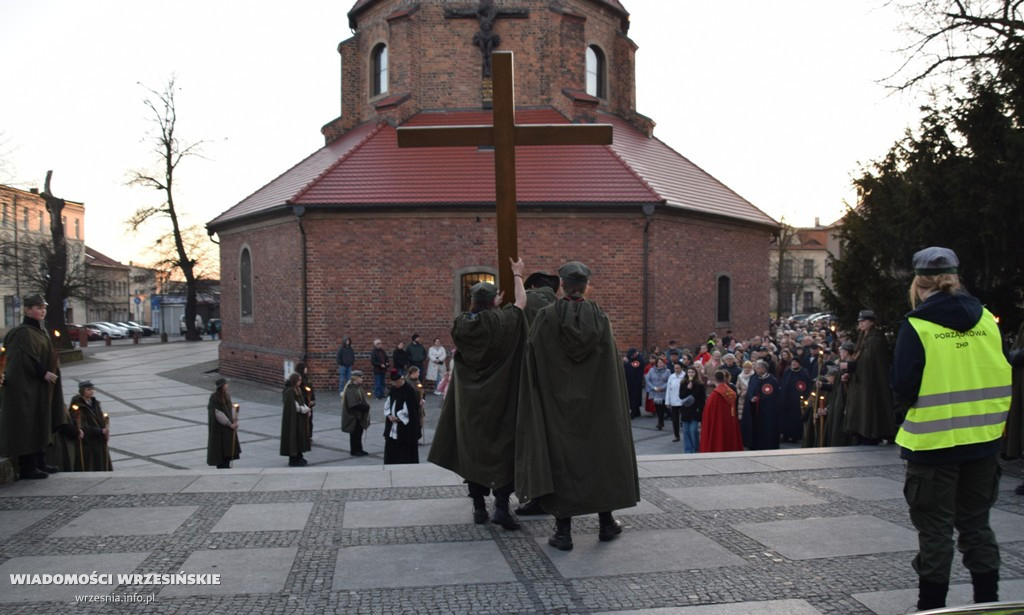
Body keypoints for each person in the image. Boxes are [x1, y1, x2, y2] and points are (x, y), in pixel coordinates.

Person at [891, 246, 1012, 611]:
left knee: (935, 533)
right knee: (977, 526)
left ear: (918, 284)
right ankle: (988, 604)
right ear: (956, 279)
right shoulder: (986, 319)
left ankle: (931, 608)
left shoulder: (918, 325)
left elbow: (903, 386)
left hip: (934, 446)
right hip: (984, 442)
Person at [516, 261, 639, 551]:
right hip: (597, 407)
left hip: (557, 406)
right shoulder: (600, 318)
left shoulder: (546, 317)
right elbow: (610, 369)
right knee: (599, 457)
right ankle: (606, 522)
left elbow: (533, 358)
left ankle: (563, 533)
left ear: (561, 285)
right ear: (586, 286)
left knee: (562, 460)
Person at [429, 257, 527, 529]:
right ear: (494, 300)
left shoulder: (461, 324)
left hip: (470, 402)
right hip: (500, 399)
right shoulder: (503, 320)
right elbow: (521, 303)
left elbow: (479, 322)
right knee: (502, 450)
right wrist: (517, 274)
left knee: (472, 450)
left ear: (471, 300)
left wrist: (490, 306)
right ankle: (502, 507)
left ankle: (479, 508)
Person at [0, 294, 65, 479]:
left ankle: (40, 462)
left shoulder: (40, 331)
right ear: (27, 310)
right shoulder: (22, 333)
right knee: (27, 424)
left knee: (41, 421)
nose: (42, 311)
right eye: (38, 307)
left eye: (44, 307)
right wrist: (43, 373)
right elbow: (23, 359)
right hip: (25, 389)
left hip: (39, 388)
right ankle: (28, 467)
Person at [845, 310, 897, 444]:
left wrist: (850, 366)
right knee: (863, 410)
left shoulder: (875, 339)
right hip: (863, 381)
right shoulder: (864, 337)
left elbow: (869, 363)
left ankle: (871, 434)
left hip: (871, 382)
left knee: (869, 409)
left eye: (864, 321)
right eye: (859, 321)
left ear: (871, 322)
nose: (860, 323)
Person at [70, 380, 113, 471]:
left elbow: (101, 419)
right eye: (88, 389)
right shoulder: (77, 406)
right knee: (90, 463)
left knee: (100, 462)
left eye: (92, 389)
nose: (91, 391)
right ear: (82, 391)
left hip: (99, 439)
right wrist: (100, 431)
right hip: (87, 441)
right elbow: (81, 425)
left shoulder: (95, 403)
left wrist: (105, 430)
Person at [740, 360, 781, 450]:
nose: (756, 370)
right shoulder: (753, 378)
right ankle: (752, 443)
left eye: (758, 368)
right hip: (754, 409)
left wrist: (762, 400)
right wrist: (751, 397)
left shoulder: (772, 380)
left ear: (763, 369)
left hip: (766, 410)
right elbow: (749, 391)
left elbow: (774, 397)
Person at [383, 369, 421, 464]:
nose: (395, 384)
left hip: (405, 427)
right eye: (393, 383)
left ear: (401, 379)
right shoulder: (393, 389)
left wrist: (399, 417)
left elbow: (410, 409)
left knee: (404, 448)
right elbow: (388, 403)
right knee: (392, 445)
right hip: (393, 423)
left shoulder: (409, 390)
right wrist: (389, 415)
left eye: (396, 382)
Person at [699, 370, 744, 453]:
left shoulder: (715, 394)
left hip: (717, 423)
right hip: (729, 421)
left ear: (714, 379)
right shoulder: (731, 392)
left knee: (718, 438)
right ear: (724, 378)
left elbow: (708, 413)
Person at [206, 378, 239, 469]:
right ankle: (221, 466)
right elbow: (217, 413)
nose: (227, 385)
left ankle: (226, 465)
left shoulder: (227, 395)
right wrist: (229, 423)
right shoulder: (214, 397)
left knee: (228, 447)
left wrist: (234, 419)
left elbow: (231, 408)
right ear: (222, 386)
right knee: (220, 447)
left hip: (227, 427)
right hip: (220, 428)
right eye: (226, 384)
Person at [280, 372, 311, 466]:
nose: (300, 381)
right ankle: (294, 459)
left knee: (299, 437)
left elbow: (301, 402)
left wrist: (306, 408)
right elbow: (294, 406)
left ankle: (299, 455)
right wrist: (304, 409)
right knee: (294, 437)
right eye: (299, 380)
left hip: (299, 419)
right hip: (293, 419)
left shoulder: (297, 389)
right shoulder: (289, 391)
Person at [779, 357, 812, 443]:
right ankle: (785, 435)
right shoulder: (787, 371)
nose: (793, 363)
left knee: (796, 418)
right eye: (792, 362)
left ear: (799, 363)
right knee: (785, 418)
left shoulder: (804, 372)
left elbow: (807, 386)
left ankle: (795, 436)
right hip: (787, 400)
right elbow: (783, 383)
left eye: (795, 362)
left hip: (797, 400)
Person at [341, 370, 370, 456]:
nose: (362, 379)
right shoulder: (350, 389)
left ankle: (359, 449)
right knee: (354, 433)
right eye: (361, 377)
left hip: (358, 416)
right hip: (353, 416)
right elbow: (353, 404)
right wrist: (364, 407)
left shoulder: (358, 388)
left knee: (359, 432)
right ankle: (354, 450)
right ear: (356, 378)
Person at [679, 366, 706, 452]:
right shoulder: (683, 383)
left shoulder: (700, 385)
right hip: (686, 409)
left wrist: (701, 412)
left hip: (695, 409)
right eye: (689, 372)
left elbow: (702, 399)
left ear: (696, 373)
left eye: (692, 372)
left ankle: (695, 447)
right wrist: (688, 389)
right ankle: (688, 449)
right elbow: (681, 396)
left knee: (693, 430)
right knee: (686, 431)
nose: (690, 374)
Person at [645, 357, 670, 430]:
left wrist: (662, 387)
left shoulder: (667, 371)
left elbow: (669, 381)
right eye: (659, 363)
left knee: (662, 407)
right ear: (656, 363)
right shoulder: (651, 370)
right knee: (658, 407)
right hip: (655, 392)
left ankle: (661, 422)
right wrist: (653, 387)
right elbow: (648, 380)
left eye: (662, 363)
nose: (661, 364)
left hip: (663, 392)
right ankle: (660, 421)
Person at [664, 362, 686, 443]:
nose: (676, 370)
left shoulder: (685, 376)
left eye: (678, 368)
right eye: (675, 368)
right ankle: (676, 435)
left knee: (684, 419)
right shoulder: (671, 377)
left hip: (683, 402)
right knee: (675, 420)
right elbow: (668, 390)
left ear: (681, 368)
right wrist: (667, 401)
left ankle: (686, 435)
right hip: (674, 401)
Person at [295, 362, 316, 439]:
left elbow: (311, 390)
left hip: (309, 402)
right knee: (304, 420)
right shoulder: (300, 380)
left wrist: (313, 399)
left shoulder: (307, 379)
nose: (306, 369)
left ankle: (309, 434)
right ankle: (305, 435)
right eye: (305, 368)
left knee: (309, 419)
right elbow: (302, 392)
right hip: (304, 402)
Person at [623, 348, 645, 419]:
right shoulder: (631, 357)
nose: (631, 357)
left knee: (634, 397)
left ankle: (633, 413)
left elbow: (634, 365)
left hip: (636, 382)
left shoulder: (640, 359)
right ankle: (637, 412)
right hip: (630, 381)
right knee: (631, 396)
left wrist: (627, 362)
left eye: (632, 355)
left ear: (635, 353)